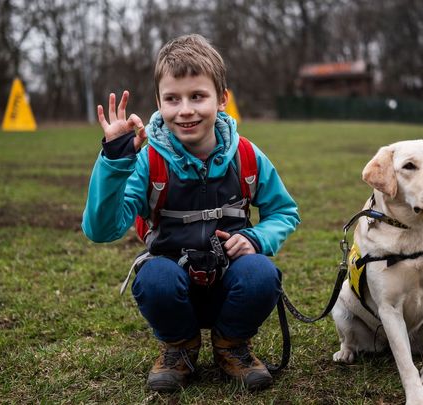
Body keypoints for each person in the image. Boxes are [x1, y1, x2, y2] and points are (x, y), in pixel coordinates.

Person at [81, 34, 300, 392]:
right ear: (158, 102)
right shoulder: (147, 160)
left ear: (222, 99)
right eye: (172, 99)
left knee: (263, 273)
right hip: (173, 287)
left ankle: (232, 346)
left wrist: (257, 237)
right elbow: (101, 230)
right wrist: (114, 162)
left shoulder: (247, 155)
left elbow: (284, 212)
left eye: (197, 96)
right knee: (154, 280)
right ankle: (179, 348)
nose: (185, 110)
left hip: (232, 285)